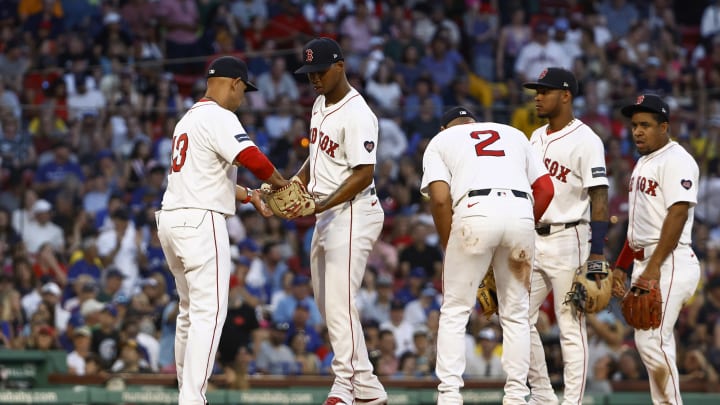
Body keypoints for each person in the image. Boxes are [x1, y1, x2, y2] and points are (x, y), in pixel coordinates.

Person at [156, 55, 290, 405]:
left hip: (172, 219)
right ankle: (192, 398)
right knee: (209, 313)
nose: (243, 97)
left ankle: (187, 393)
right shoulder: (220, 115)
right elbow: (253, 158)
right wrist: (281, 184)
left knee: (189, 311)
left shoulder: (188, 119)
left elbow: (206, 177)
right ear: (234, 83)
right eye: (244, 90)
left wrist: (249, 195)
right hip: (201, 221)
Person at [421, 106, 554, 405]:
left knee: (455, 310)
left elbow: (441, 200)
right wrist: (519, 225)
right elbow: (545, 189)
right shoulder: (513, 134)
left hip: (474, 212)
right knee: (517, 314)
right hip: (521, 211)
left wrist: (450, 248)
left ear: (445, 128)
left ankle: (450, 396)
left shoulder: (442, 141)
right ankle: (517, 397)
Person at [292, 37, 387, 405]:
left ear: (340, 66)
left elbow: (364, 173)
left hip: (353, 210)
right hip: (327, 211)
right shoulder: (319, 104)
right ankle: (368, 386)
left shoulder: (358, 112)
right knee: (328, 303)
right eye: (309, 72)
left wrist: (320, 205)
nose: (314, 78)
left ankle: (344, 384)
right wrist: (294, 183)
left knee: (339, 301)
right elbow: (315, 158)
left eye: (320, 71)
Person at [522, 67, 609, 405]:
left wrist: (598, 253)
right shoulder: (534, 136)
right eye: (536, 91)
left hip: (569, 236)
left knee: (570, 327)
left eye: (545, 91)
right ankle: (543, 395)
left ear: (566, 95)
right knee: (516, 318)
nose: (537, 97)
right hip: (533, 237)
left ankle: (571, 402)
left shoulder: (587, 140)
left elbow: (599, 196)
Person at [612, 94, 700, 405]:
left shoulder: (677, 159)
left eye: (646, 125)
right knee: (652, 342)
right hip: (647, 259)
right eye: (635, 125)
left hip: (669, 260)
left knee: (651, 340)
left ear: (664, 127)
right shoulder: (643, 162)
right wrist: (621, 265)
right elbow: (639, 226)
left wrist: (653, 267)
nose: (637, 131)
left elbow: (677, 215)